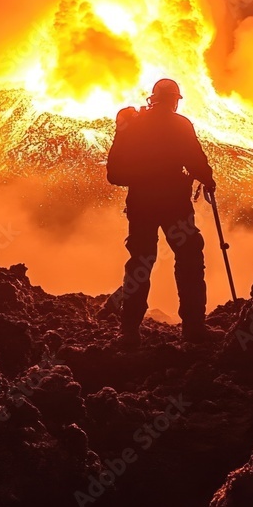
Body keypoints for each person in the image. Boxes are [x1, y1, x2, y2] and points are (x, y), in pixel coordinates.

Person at [106, 78, 222, 347]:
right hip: (175, 207)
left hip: (141, 205)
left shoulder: (132, 126)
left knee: (140, 263)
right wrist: (207, 179)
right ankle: (194, 329)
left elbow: (115, 172)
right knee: (189, 260)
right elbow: (195, 158)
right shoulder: (180, 125)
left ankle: (129, 332)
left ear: (153, 98)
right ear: (174, 100)